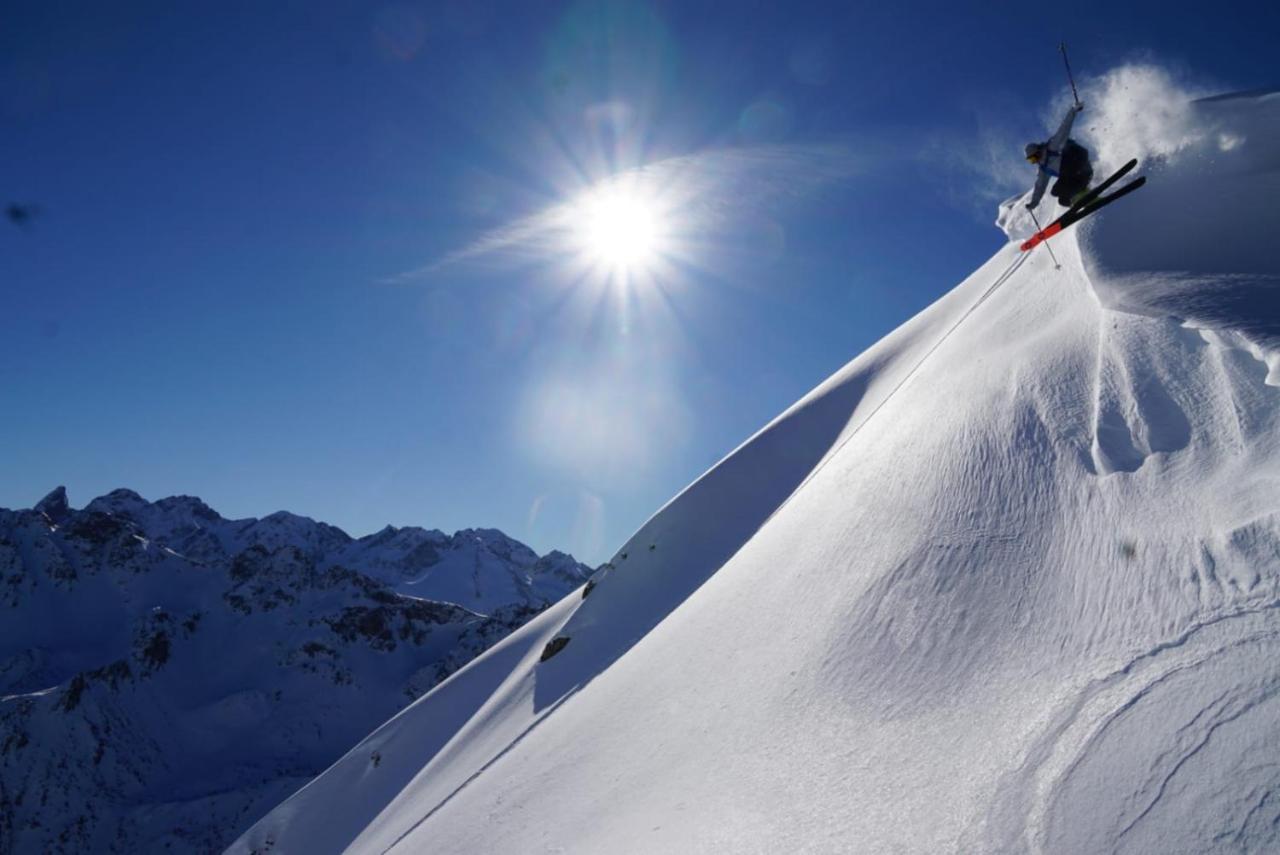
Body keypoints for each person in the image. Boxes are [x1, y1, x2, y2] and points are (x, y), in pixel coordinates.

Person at [1024, 103, 1092, 210]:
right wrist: (1033, 203)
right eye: (1031, 161)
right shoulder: (1043, 169)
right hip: (1079, 178)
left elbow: (1064, 129)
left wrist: (1073, 110)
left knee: (1065, 170)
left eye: (1034, 158)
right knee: (1059, 196)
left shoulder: (1052, 147)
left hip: (1081, 163)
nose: (1035, 161)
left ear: (1038, 151)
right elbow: (1040, 187)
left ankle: (1083, 193)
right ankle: (1084, 200)